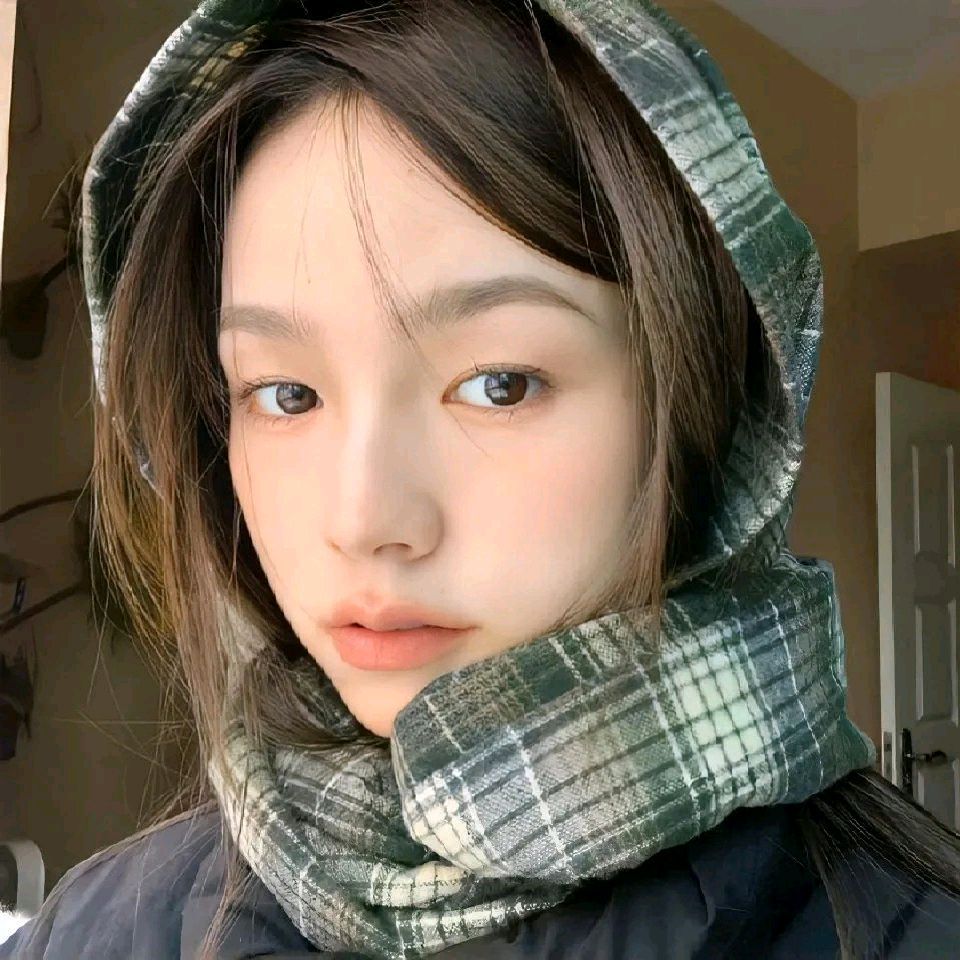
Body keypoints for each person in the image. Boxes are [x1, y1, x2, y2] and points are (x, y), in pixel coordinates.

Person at [3, 0, 960, 957]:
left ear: (704, 412)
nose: (363, 519)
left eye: (499, 384)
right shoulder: (88, 932)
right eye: (286, 394)